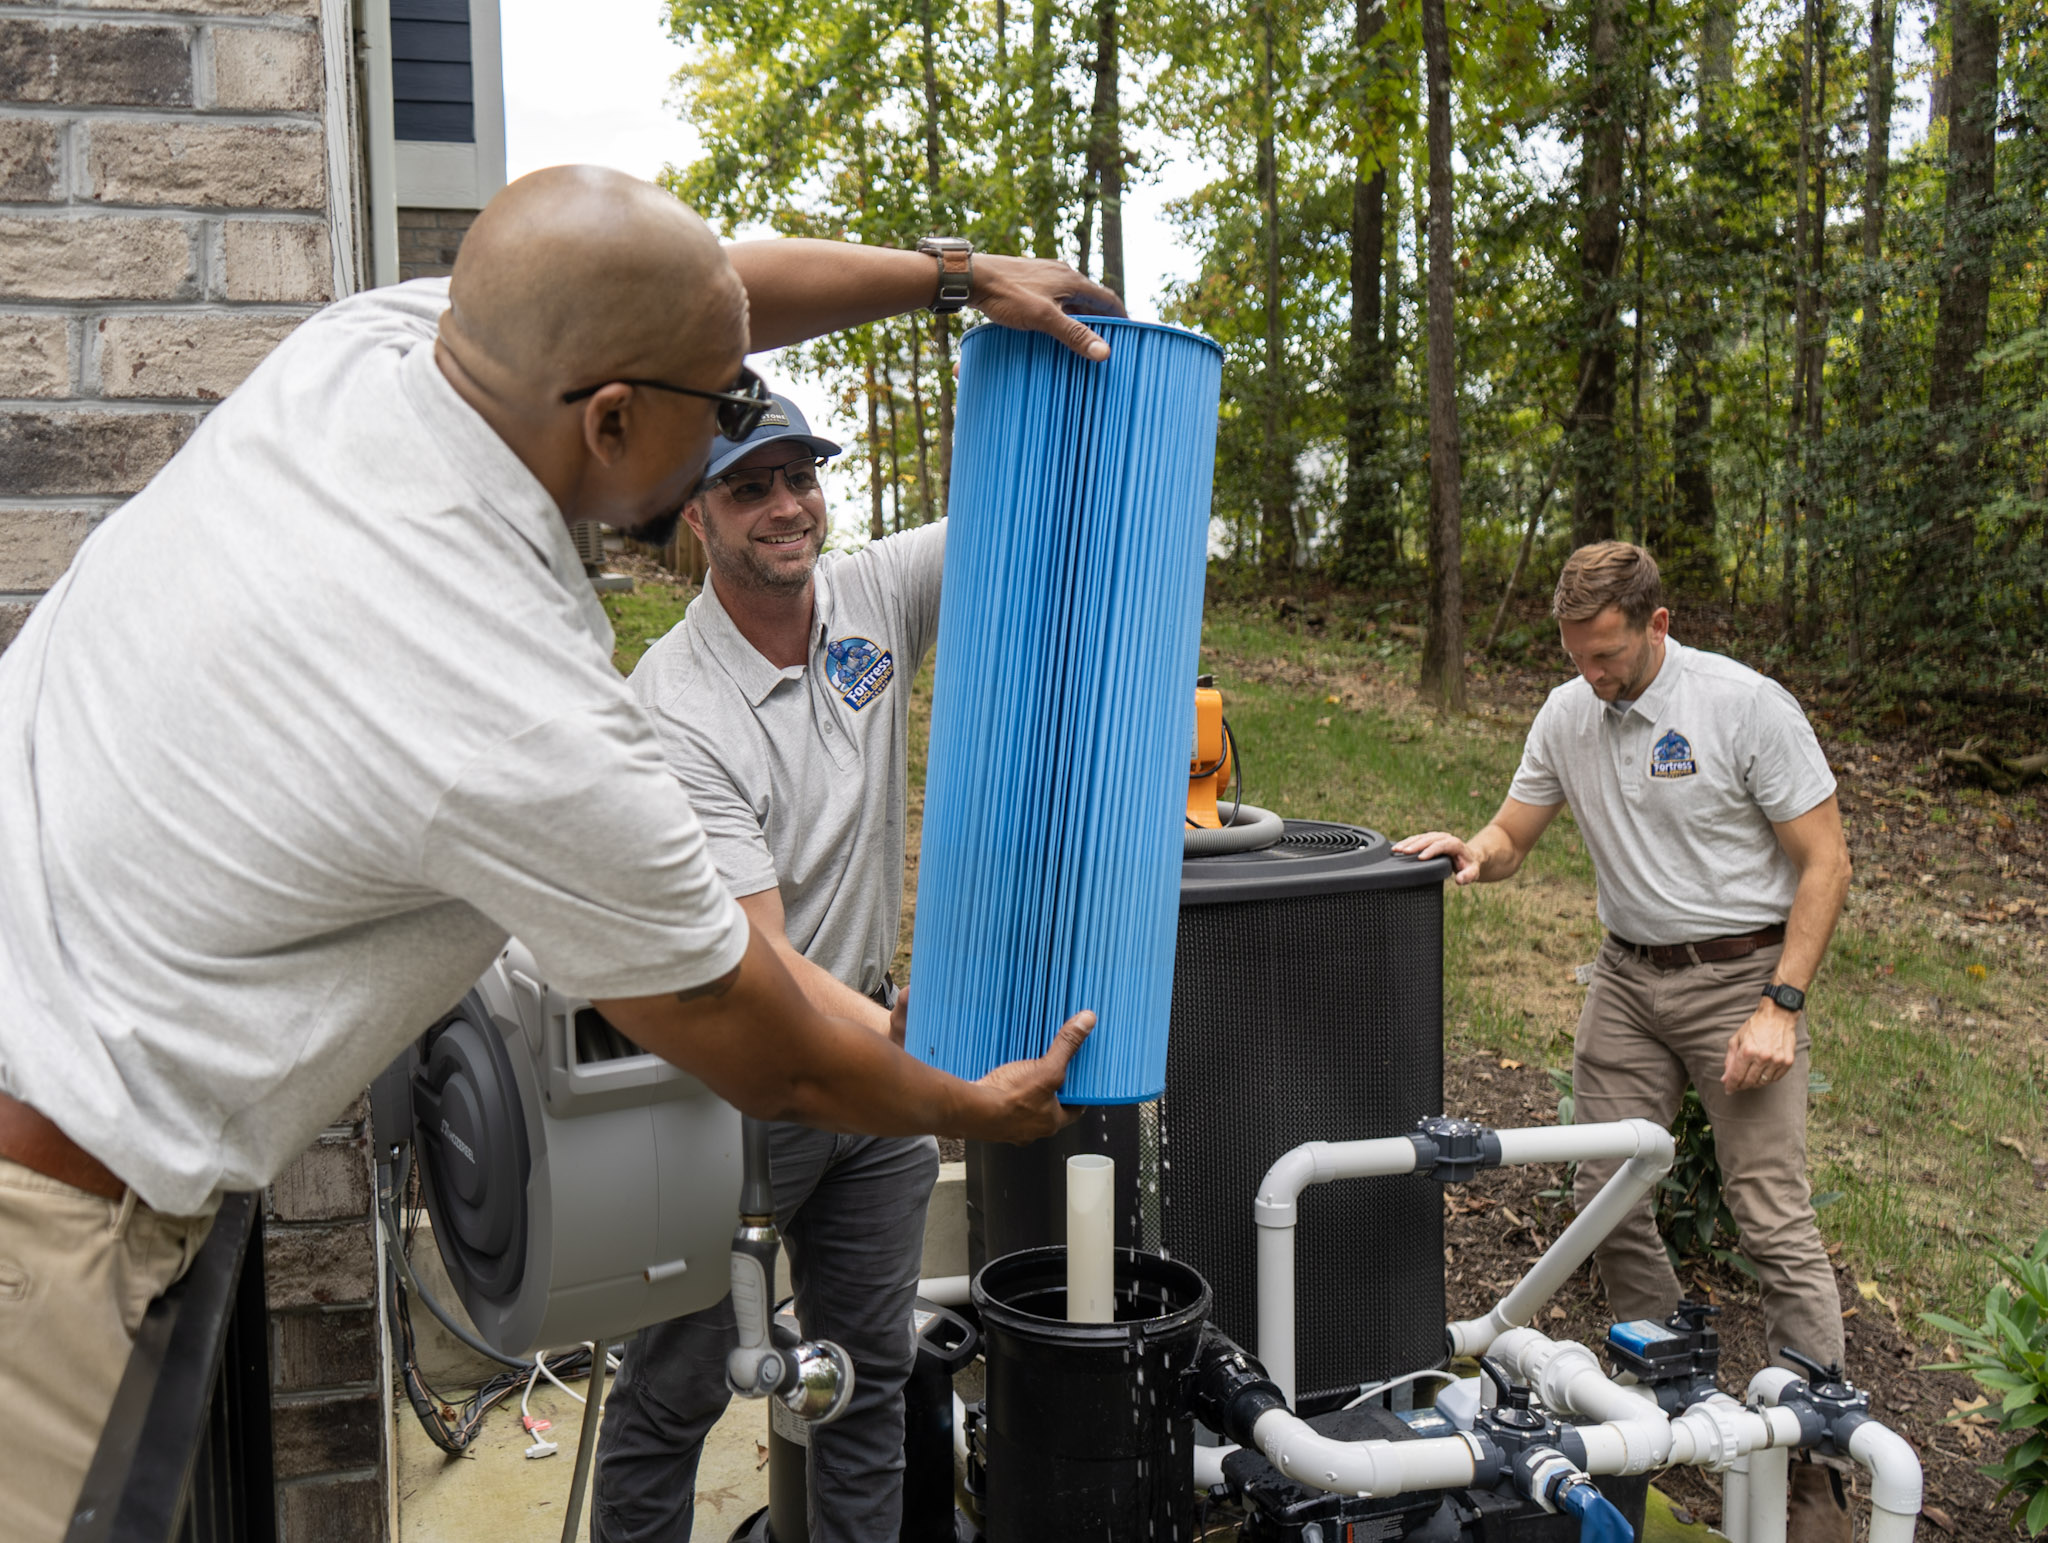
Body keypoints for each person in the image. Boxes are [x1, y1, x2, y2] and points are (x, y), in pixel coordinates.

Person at [0, 165, 1123, 1542]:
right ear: (614, 423)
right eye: (722, 424)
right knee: (681, 1374)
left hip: (59, 1089)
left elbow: (699, 299)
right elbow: (759, 1031)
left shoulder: (372, 356)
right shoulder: (522, 697)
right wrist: (967, 1097)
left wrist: (954, 275)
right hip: (44, 1210)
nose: (751, 447)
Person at [1395, 541, 1854, 1539]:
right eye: (1573, 654)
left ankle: (1817, 1453)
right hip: (1625, 980)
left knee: (1768, 1213)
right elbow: (1514, 835)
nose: (1589, 674)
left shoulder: (1741, 706)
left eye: (1604, 654)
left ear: (1655, 623)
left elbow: (1824, 862)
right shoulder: (1568, 711)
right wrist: (1469, 849)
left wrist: (1779, 1002)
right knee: (1606, 1196)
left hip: (1740, 974)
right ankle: (1669, 1396)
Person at [594, 393, 942, 1542]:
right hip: (743, 1090)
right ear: (696, 513)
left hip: (872, 1068)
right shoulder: (676, 708)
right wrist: (920, 1068)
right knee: (674, 1392)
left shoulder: (869, 593)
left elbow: (1022, 516)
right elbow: (766, 966)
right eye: (751, 486)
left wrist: (1055, 337)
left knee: (867, 1377)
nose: (787, 506)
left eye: (800, 476)